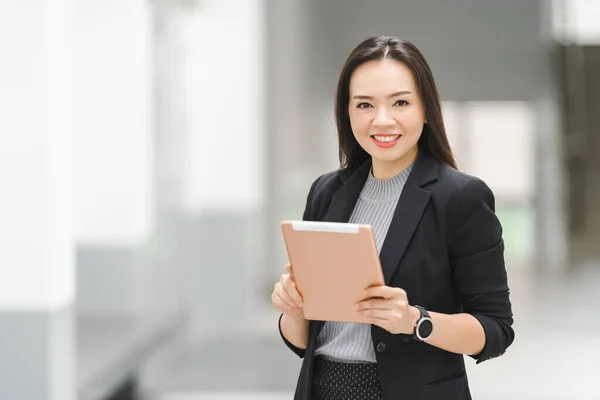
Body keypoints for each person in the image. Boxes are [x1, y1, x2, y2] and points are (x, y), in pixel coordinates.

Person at [271, 35, 515, 400]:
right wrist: (292, 309)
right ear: (347, 112)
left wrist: (416, 321)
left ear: (426, 109)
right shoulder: (326, 192)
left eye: (400, 102)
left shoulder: (461, 198)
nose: (382, 121)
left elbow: (495, 331)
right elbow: (305, 341)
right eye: (365, 104)